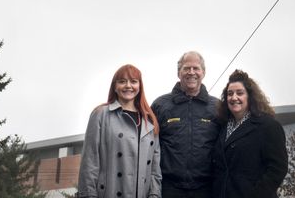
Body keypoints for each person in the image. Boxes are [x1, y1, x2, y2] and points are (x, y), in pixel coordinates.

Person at [78, 64, 162, 198]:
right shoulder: (101, 114)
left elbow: (155, 169)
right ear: (115, 87)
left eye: (133, 81)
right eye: (122, 81)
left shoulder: (149, 121)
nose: (128, 86)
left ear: (139, 86)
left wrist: (155, 194)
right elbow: (89, 162)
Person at [152, 51, 220, 198]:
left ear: (203, 72)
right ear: (178, 72)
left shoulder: (217, 107)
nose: (191, 72)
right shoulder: (160, 105)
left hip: (206, 189)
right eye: (186, 68)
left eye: (196, 68)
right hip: (169, 188)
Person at [211, 70, 288, 198]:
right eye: (230, 94)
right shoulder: (221, 127)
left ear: (250, 96)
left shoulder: (268, 126)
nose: (234, 97)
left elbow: (278, 169)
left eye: (239, 93)